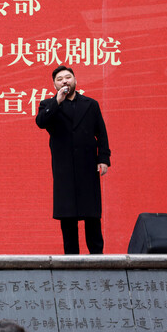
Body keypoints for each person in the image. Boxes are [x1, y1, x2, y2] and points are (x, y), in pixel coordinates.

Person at [36, 66, 111, 255]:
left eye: (68, 77)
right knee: (67, 217)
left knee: (92, 214)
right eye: (60, 79)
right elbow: (41, 122)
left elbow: (101, 133)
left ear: (75, 80)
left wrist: (103, 158)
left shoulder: (90, 104)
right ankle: (71, 259)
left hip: (88, 165)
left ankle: (97, 256)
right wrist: (57, 101)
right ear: (54, 84)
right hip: (64, 168)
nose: (65, 81)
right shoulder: (48, 105)